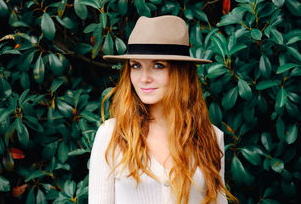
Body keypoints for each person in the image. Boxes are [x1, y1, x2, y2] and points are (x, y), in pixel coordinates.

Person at [88, 16, 236, 204]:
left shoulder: (211, 138)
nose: (144, 78)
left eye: (158, 66)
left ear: (181, 72)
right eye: (136, 66)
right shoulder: (112, 135)